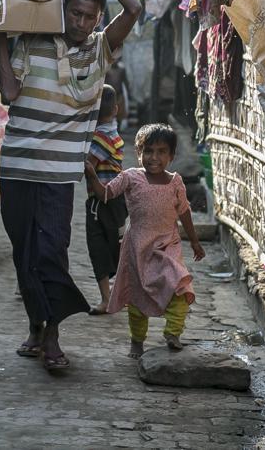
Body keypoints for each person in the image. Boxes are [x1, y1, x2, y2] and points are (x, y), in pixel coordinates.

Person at [0, 0, 142, 371]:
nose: (81, 22)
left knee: (51, 251)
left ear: (98, 20)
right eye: (74, 13)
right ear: (62, 11)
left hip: (59, 176)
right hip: (17, 167)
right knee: (23, 252)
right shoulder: (32, 41)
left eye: (89, 16)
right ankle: (37, 326)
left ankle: (54, 334)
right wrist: (0, 38)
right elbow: (8, 91)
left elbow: (134, 8)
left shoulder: (101, 51)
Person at [99, 123, 205, 359]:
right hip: (137, 247)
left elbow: (184, 211)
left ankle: (173, 333)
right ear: (139, 153)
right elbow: (106, 193)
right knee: (137, 300)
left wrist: (195, 242)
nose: (153, 157)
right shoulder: (130, 178)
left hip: (168, 246)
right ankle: (137, 342)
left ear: (171, 156)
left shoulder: (176, 182)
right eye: (148, 151)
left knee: (180, 286)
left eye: (161, 152)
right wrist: (90, 175)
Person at [83, 85, 126, 315]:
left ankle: (107, 299)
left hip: (101, 203)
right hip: (117, 202)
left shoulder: (100, 137)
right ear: (116, 109)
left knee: (98, 247)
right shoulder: (114, 134)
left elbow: (88, 164)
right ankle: (119, 295)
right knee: (118, 247)